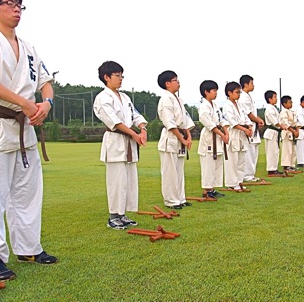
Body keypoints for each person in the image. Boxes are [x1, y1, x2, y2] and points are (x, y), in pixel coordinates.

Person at [0, 0, 57, 281]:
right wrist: (24, 103)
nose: (16, 9)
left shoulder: (29, 48)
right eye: (9, 3)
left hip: (26, 129)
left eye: (20, 4)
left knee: (28, 192)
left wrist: (46, 103)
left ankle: (29, 247)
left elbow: (45, 81)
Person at [93, 61, 148, 230]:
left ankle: (123, 214)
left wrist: (143, 129)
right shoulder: (103, 98)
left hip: (130, 143)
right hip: (116, 142)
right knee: (116, 181)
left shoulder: (124, 97)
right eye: (117, 76)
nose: (121, 79)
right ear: (106, 77)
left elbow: (136, 115)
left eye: (121, 76)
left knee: (129, 180)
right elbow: (114, 121)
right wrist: (134, 134)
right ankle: (113, 216)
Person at [157, 70, 195, 209]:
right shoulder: (165, 99)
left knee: (179, 171)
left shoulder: (179, 100)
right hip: (170, 139)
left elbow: (186, 121)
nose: (178, 82)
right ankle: (171, 201)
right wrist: (182, 139)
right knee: (170, 172)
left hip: (181, 138)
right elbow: (170, 123)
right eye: (175, 80)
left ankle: (180, 198)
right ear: (167, 83)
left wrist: (188, 136)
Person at [197, 80, 229, 198]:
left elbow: (222, 119)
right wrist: (221, 134)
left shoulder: (215, 106)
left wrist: (226, 132)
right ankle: (206, 190)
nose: (216, 93)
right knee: (208, 165)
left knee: (216, 164)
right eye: (214, 91)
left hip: (218, 137)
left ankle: (212, 188)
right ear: (206, 92)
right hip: (209, 138)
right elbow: (208, 123)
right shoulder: (203, 106)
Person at [222, 82, 252, 190]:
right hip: (233, 134)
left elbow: (246, 117)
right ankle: (231, 183)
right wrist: (244, 129)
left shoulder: (239, 105)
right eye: (236, 92)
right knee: (232, 160)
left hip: (242, 135)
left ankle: (239, 181)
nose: (238, 94)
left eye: (239, 92)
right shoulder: (227, 106)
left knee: (241, 160)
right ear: (229, 93)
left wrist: (249, 126)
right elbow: (231, 121)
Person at [238, 75, 264, 182]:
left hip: (253, 126)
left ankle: (251, 174)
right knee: (249, 152)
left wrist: (258, 121)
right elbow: (248, 113)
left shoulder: (248, 96)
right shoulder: (243, 96)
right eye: (251, 83)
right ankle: (247, 175)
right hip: (248, 126)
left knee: (254, 151)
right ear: (246, 84)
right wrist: (258, 120)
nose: (253, 85)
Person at [263, 90, 285, 177]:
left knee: (275, 152)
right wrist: (281, 126)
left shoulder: (273, 108)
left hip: (275, 132)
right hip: (271, 132)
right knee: (271, 152)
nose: (276, 99)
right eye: (275, 97)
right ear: (270, 99)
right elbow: (274, 121)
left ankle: (274, 169)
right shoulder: (269, 109)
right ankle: (271, 170)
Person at [279, 95, 302, 174]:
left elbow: (297, 122)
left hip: (293, 132)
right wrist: (293, 130)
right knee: (287, 150)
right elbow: (285, 122)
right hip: (287, 132)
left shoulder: (292, 112)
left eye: (291, 101)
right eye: (289, 102)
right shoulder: (283, 112)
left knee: (293, 150)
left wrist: (297, 130)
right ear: (284, 104)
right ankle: (286, 166)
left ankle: (292, 165)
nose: (291, 103)